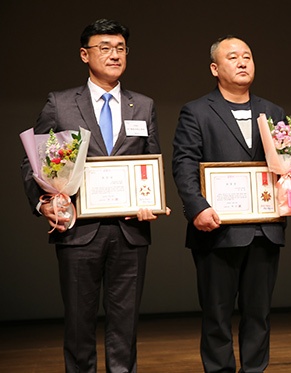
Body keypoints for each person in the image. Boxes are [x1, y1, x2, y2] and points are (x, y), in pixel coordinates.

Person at [20, 18, 169, 372]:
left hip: (131, 231)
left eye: (120, 48)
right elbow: (33, 163)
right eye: (105, 48)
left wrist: (152, 198)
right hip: (78, 231)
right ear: (85, 55)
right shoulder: (60, 103)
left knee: (126, 323)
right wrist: (44, 203)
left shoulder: (143, 105)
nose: (114, 55)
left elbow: (152, 160)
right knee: (78, 324)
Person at [171, 36, 291, 373]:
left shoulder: (272, 111)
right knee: (216, 315)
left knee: (259, 315)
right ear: (215, 68)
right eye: (233, 57)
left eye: (247, 56)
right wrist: (197, 207)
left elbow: (284, 164)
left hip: (264, 230)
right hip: (216, 231)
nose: (243, 62)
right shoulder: (197, 111)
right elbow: (184, 165)